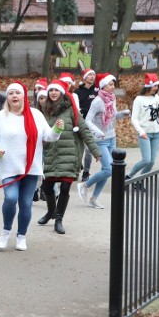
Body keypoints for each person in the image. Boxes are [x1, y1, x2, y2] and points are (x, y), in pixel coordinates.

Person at [0, 81, 64, 251]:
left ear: (23, 96)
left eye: (18, 93)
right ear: (7, 97)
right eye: (11, 93)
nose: (14, 96)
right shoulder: (0, 117)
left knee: (26, 203)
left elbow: (49, 136)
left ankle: (21, 236)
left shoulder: (35, 115)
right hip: (9, 166)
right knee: (11, 198)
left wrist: (57, 129)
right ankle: (5, 232)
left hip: (31, 168)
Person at [38, 79, 101, 234]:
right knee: (46, 187)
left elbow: (85, 130)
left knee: (65, 187)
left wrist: (95, 151)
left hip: (70, 153)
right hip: (51, 154)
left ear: (62, 92)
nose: (53, 93)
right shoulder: (45, 111)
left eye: (56, 90)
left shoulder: (72, 109)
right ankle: (51, 211)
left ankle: (59, 219)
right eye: (51, 90)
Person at [79, 73, 131, 209]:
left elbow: (112, 117)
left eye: (114, 84)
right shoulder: (97, 101)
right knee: (109, 169)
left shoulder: (112, 99)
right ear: (103, 86)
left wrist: (122, 114)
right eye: (110, 84)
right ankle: (85, 185)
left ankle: (93, 199)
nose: (113, 87)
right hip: (99, 140)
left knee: (107, 169)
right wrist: (97, 131)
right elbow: (87, 120)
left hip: (111, 138)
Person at [126, 73, 159, 187]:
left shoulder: (155, 97)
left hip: (156, 133)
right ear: (148, 86)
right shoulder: (139, 99)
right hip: (145, 134)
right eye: (154, 86)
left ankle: (140, 181)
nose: (156, 88)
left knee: (152, 161)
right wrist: (140, 131)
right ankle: (128, 177)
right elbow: (134, 118)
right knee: (146, 160)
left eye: (157, 86)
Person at [74, 68, 98, 182]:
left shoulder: (97, 92)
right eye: (89, 75)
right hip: (80, 122)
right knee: (78, 149)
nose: (92, 77)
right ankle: (78, 166)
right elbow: (74, 107)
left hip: (92, 124)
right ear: (84, 77)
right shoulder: (77, 92)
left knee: (89, 150)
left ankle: (86, 172)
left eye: (93, 75)